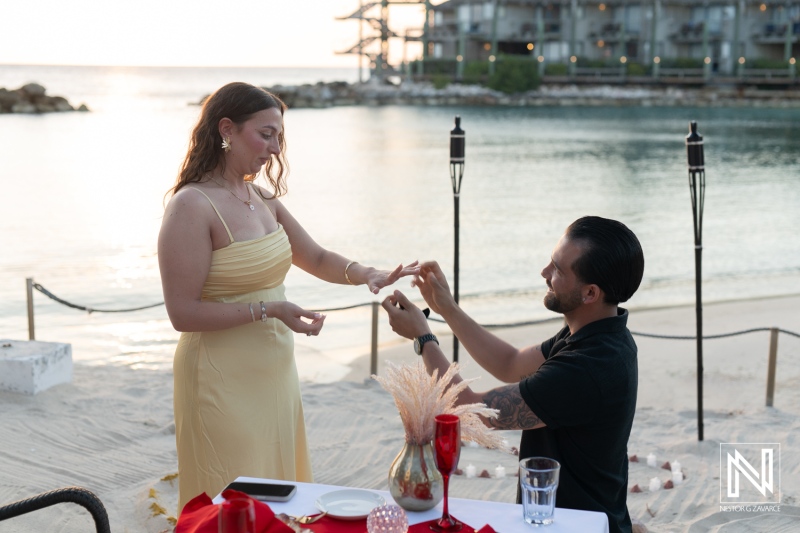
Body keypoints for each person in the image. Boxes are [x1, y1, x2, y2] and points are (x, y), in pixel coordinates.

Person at [158, 82, 418, 512]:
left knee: (280, 498)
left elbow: (315, 256)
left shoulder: (262, 199)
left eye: (278, 136)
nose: (275, 148)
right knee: (233, 502)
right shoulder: (192, 205)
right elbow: (182, 313)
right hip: (218, 377)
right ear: (227, 129)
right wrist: (270, 309)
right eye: (266, 134)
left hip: (274, 371)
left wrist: (367, 274)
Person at [382, 216, 644, 533]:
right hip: (569, 519)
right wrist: (446, 307)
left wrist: (423, 338)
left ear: (590, 293)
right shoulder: (600, 334)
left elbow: (472, 411)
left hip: (572, 526)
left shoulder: (587, 368)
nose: (544, 273)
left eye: (558, 270)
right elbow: (510, 362)